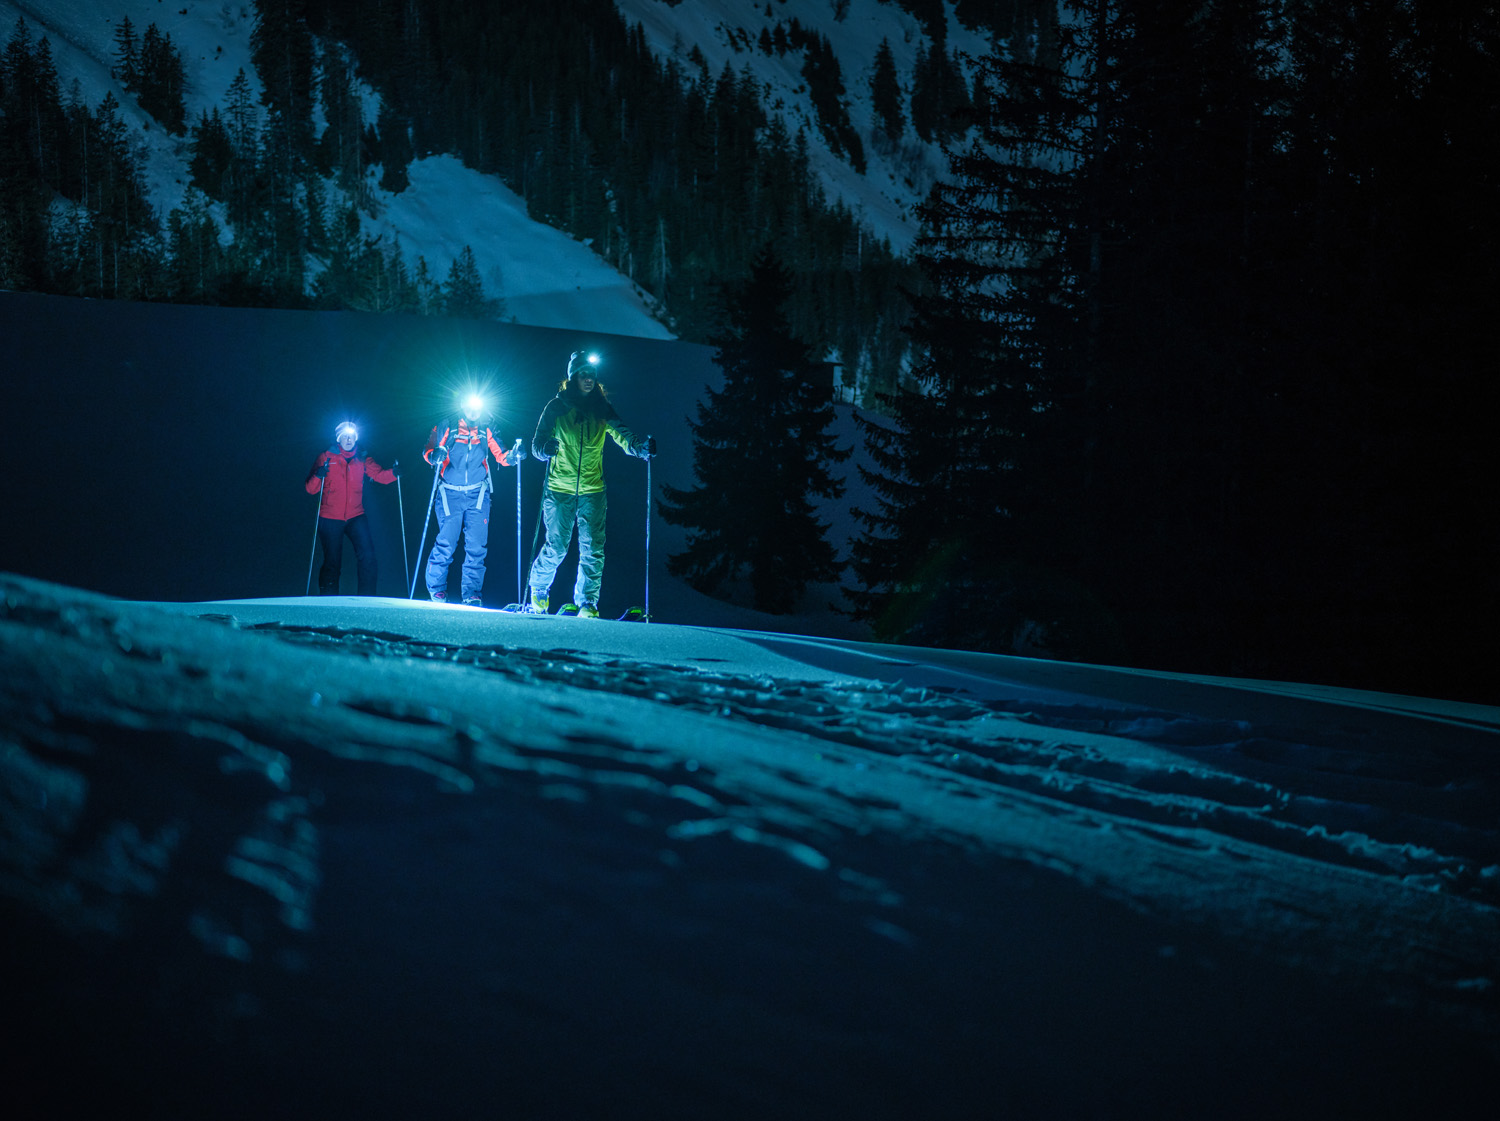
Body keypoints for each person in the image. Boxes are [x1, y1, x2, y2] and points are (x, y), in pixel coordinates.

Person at [526, 350, 654, 617]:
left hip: (592, 490)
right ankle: (539, 589)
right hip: (560, 487)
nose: (588, 379)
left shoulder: (602, 408)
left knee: (593, 549)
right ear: (573, 377)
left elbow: (623, 435)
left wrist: (640, 448)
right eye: (583, 374)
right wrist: (545, 449)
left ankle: (588, 603)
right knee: (557, 545)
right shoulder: (556, 407)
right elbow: (537, 444)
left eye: (592, 376)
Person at [422, 395, 525, 605]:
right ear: (462, 406)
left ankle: (471, 593)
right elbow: (429, 449)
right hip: (449, 492)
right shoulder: (448, 425)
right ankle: (436, 589)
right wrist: (434, 456)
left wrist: (514, 456)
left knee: (477, 546)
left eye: (477, 407)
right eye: (469, 406)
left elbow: (500, 454)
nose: (473, 411)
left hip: (478, 494)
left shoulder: (487, 428)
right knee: (446, 543)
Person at [305, 421, 398, 596]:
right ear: (339, 438)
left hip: (356, 515)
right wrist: (319, 475)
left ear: (356, 438)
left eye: (352, 437)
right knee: (332, 561)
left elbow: (379, 475)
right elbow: (310, 489)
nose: (349, 440)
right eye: (345, 436)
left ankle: (367, 597)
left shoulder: (362, 457)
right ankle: (328, 598)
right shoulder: (326, 457)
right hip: (330, 517)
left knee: (368, 557)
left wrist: (394, 473)